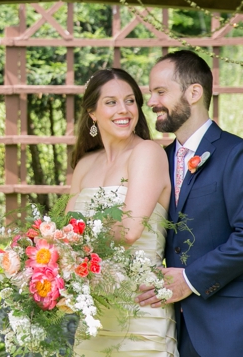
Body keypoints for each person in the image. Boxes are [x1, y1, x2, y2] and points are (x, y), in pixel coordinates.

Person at [136, 50, 243, 357]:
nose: (151, 102)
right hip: (176, 329)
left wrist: (189, 279)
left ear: (194, 92)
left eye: (160, 92)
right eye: (152, 93)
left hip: (233, 329)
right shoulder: (158, 161)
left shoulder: (237, 153)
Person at [67, 68, 177, 356]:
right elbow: (61, 237)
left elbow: (129, 231)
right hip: (93, 318)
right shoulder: (85, 165)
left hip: (139, 314)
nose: (124, 110)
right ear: (92, 112)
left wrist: (73, 245)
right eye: (111, 102)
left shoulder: (147, 153)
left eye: (130, 101)